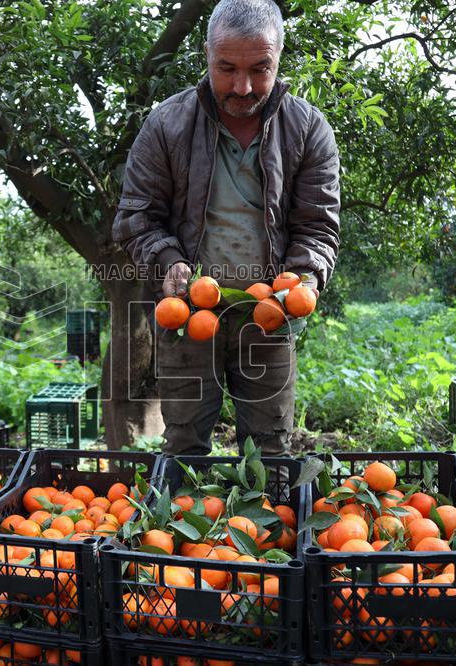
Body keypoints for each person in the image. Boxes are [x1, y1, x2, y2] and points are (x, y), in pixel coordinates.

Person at [111, 0, 341, 456]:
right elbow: (136, 218)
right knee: (184, 447)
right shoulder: (167, 125)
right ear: (206, 55)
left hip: (267, 315)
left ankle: (261, 526)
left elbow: (318, 227)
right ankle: (184, 524)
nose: (243, 86)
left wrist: (303, 277)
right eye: (226, 68)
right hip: (190, 313)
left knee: (270, 452)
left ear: (278, 57)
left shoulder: (308, 130)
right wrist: (168, 262)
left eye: (260, 69)